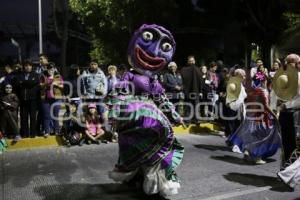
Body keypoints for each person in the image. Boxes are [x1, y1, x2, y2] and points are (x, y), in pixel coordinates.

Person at [107, 24, 184, 197]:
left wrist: (175, 114)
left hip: (151, 118)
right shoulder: (130, 75)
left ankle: (153, 181)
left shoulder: (155, 81)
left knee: (160, 143)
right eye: (149, 39)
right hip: (133, 117)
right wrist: (113, 117)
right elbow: (118, 95)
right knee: (137, 150)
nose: (155, 51)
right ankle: (137, 179)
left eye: (164, 47)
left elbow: (162, 100)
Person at [228, 72, 281, 164]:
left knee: (253, 137)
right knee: (262, 137)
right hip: (261, 118)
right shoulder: (263, 91)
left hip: (250, 118)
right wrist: (274, 115)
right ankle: (257, 157)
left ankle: (246, 154)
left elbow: (247, 103)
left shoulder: (251, 91)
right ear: (264, 80)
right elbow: (266, 106)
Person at [274, 54, 300, 189]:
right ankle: (287, 174)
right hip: (290, 114)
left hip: (290, 114)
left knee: (290, 145)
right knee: (290, 145)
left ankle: (288, 173)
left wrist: (282, 106)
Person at [17, 59, 40, 138]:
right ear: (24, 66)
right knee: (23, 117)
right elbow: (18, 84)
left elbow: (35, 83)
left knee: (33, 117)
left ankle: (33, 133)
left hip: (33, 99)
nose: (28, 67)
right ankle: (25, 134)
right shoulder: (20, 75)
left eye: (29, 65)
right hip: (23, 100)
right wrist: (29, 83)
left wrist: (24, 82)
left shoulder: (35, 74)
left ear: (31, 66)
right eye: (26, 65)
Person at [40, 64, 64, 137]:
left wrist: (56, 84)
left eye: (52, 68)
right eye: (49, 69)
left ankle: (56, 131)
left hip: (56, 99)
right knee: (46, 116)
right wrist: (46, 83)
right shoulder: (43, 76)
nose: (51, 70)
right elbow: (40, 85)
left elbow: (62, 86)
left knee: (55, 116)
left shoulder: (58, 76)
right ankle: (47, 131)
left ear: (54, 69)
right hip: (46, 99)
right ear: (47, 69)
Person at [224, 69, 247, 141]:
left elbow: (244, 95)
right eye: (243, 76)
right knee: (234, 124)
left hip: (239, 106)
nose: (244, 77)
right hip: (234, 106)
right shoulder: (233, 83)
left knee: (237, 124)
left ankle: (232, 140)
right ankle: (233, 140)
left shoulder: (240, 84)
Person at [181, 55, 202, 123]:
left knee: (190, 105)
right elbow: (201, 80)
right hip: (192, 91)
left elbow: (200, 80)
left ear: (194, 61)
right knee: (191, 105)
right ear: (188, 62)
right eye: (190, 61)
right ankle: (194, 119)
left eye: (192, 61)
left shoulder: (184, 69)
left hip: (190, 91)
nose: (192, 62)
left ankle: (189, 119)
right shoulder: (197, 69)